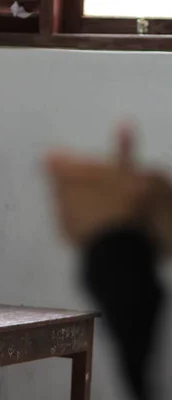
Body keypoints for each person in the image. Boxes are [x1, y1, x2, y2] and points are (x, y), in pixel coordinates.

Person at [45, 122, 172, 400]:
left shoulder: (139, 196)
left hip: (130, 271)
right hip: (119, 269)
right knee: (136, 358)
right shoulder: (106, 199)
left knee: (137, 358)